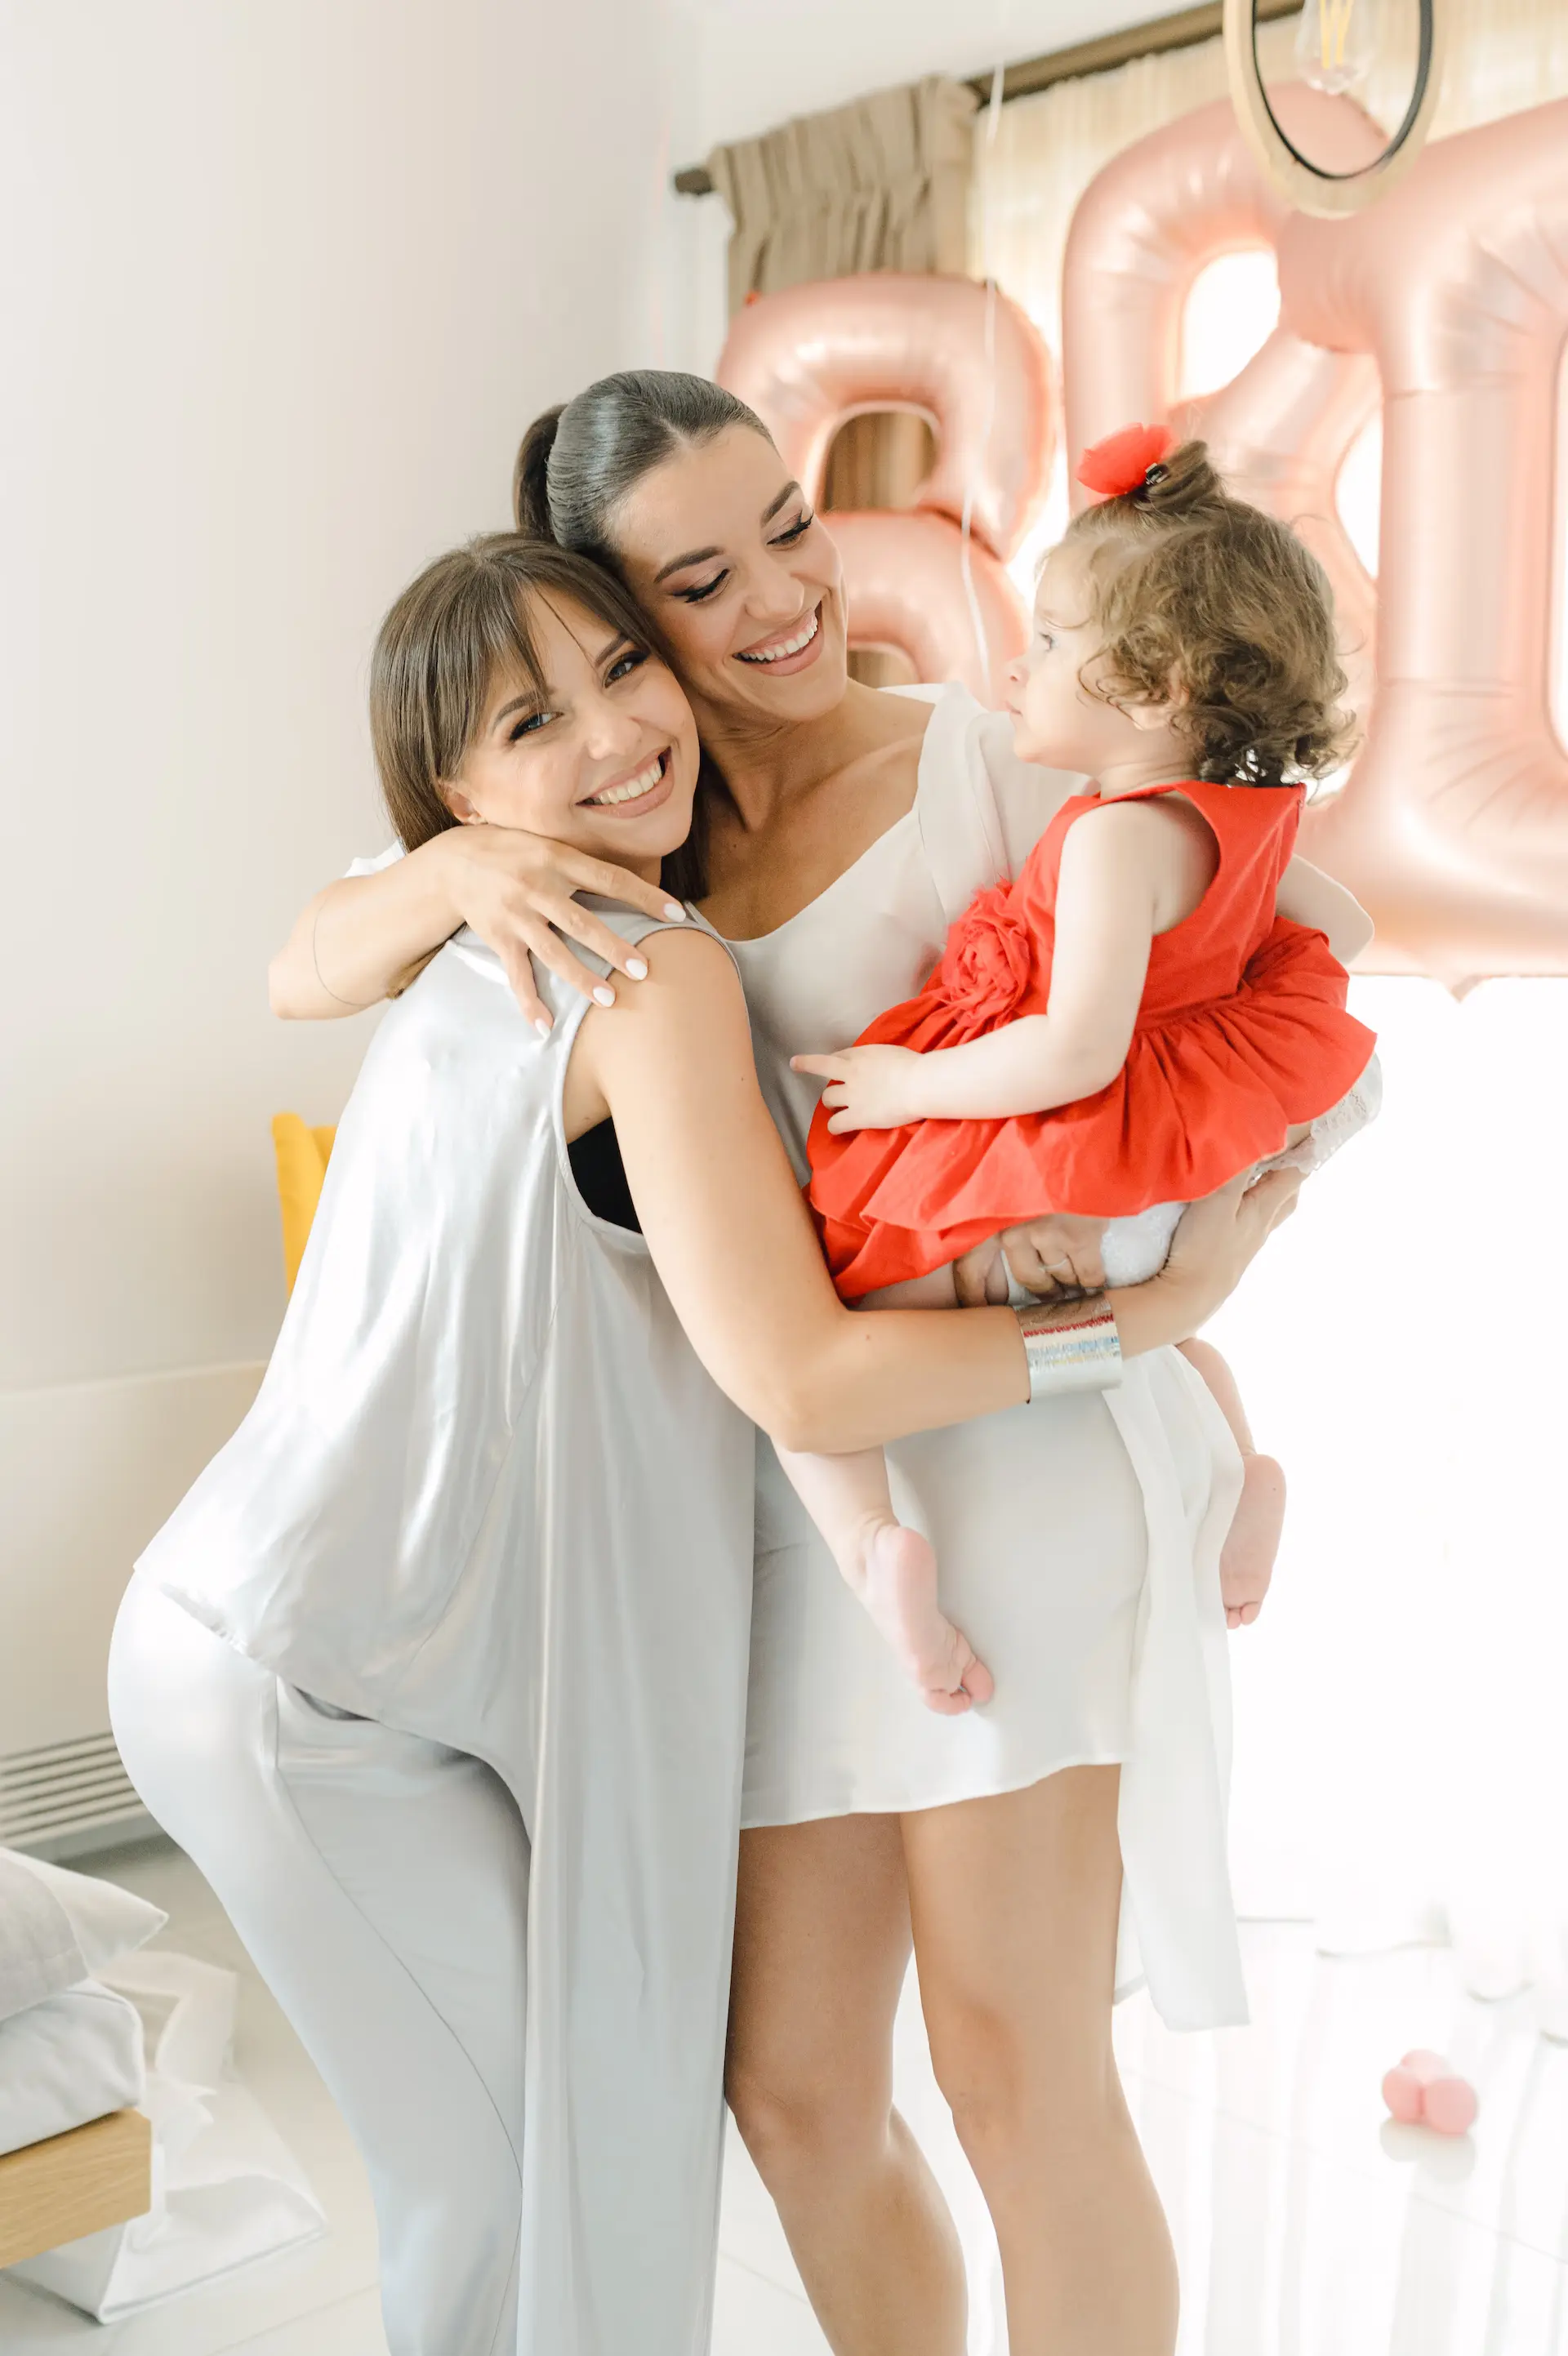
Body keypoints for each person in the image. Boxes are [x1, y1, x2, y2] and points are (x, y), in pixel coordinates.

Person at [266, 376, 1337, 2356]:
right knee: (798, 2094)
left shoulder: (992, 765)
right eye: (699, 574)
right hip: (778, 1496)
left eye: (789, 523)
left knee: (1019, 2077)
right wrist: (443, 876)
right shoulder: (608, 822)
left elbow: (1291, 960)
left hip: (1016, 1470)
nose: (780, 595)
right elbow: (300, 960)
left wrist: (1152, 1267)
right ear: (611, 627)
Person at [782, 423, 1379, 1711]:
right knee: (1158, 1347)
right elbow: (1342, 932)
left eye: (1053, 642)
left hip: (1082, 1163)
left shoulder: (1116, 840)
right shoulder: (1249, 819)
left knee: (832, 1348)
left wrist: (904, 1090)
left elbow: (1073, 1048)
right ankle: (1236, 1468)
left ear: (1159, 688)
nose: (1022, 662)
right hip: (1153, 1184)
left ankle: (876, 1550)